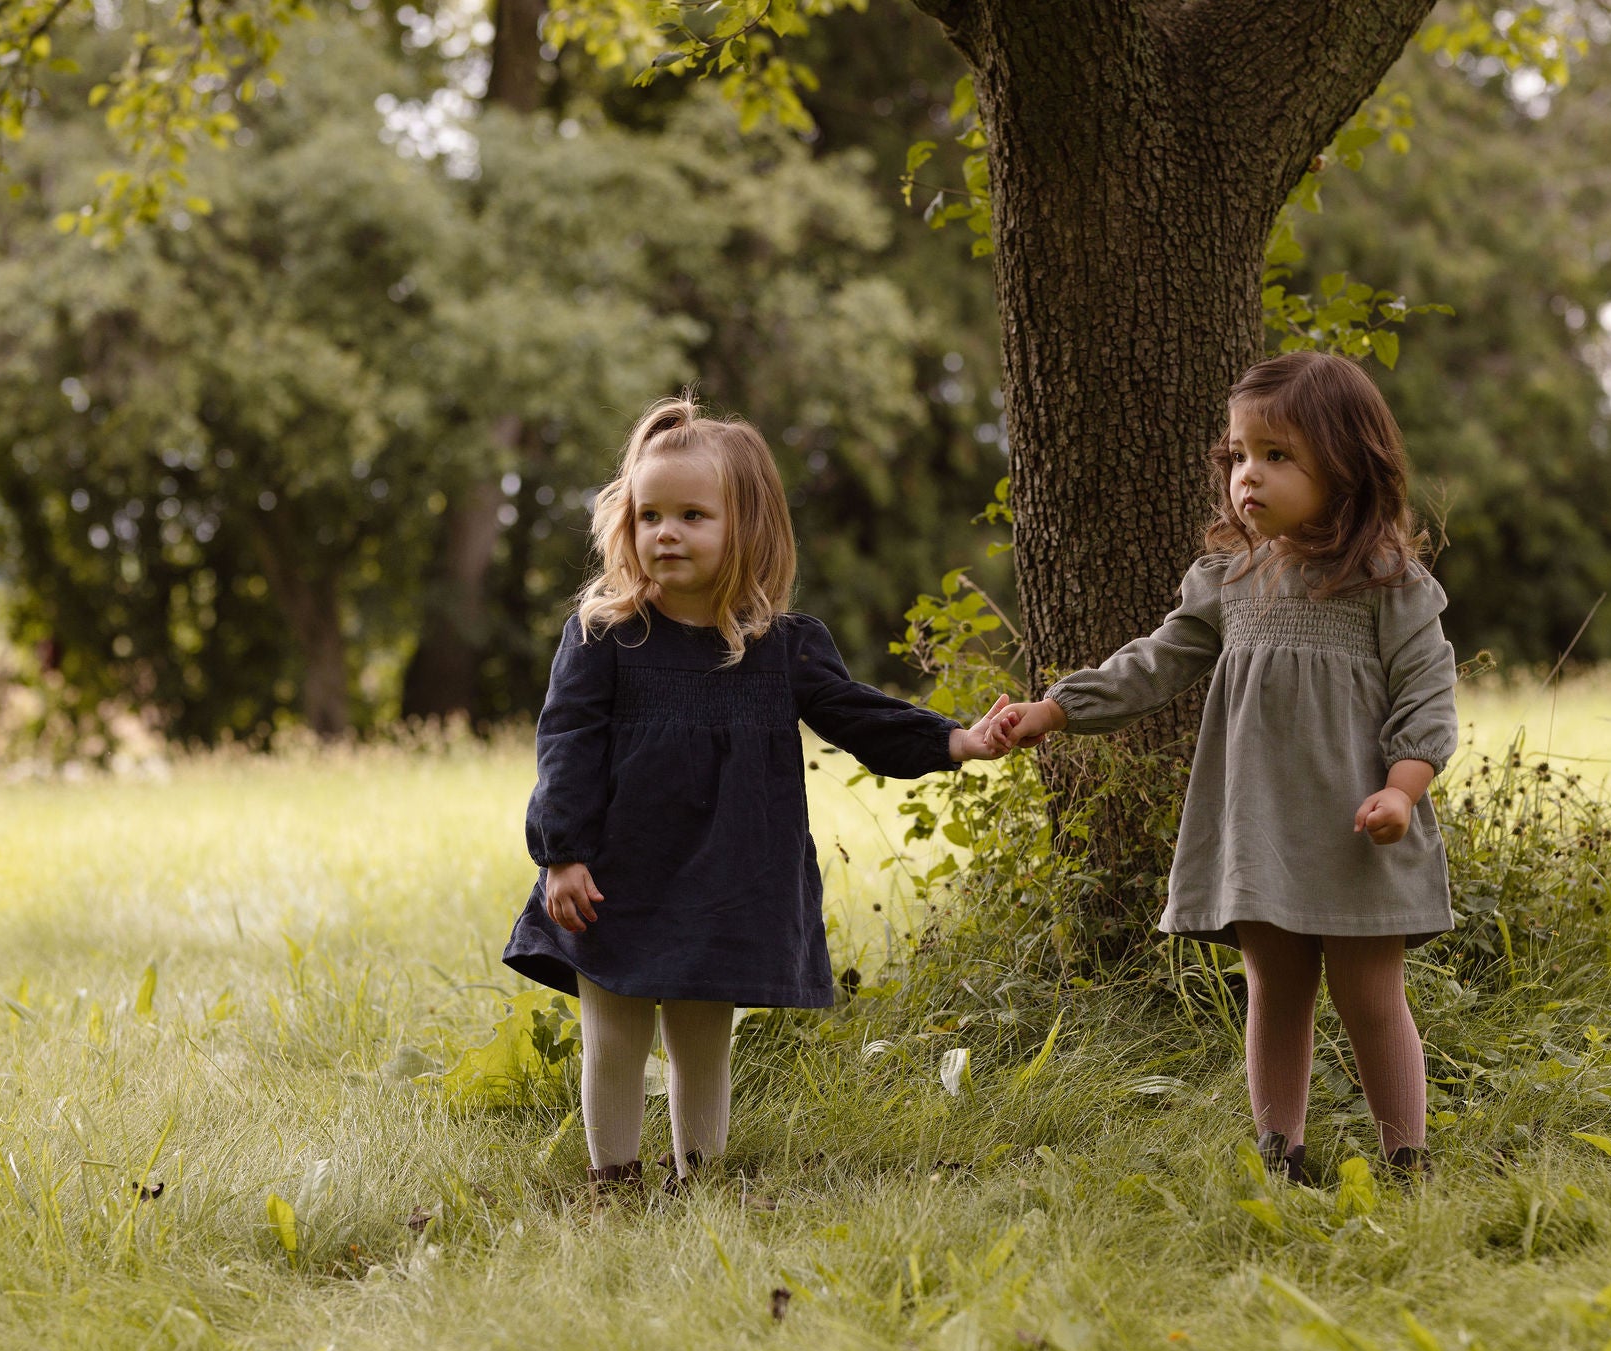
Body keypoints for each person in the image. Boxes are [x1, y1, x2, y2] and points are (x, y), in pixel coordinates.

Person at [503, 395, 1013, 1193]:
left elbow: (859, 718)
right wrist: (560, 854)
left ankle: (698, 1178)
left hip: (726, 879)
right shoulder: (605, 635)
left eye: (692, 515)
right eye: (649, 516)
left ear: (748, 526)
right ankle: (615, 1181)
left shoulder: (782, 647)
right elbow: (564, 744)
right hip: (615, 875)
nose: (664, 533)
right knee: (614, 1035)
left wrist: (955, 740)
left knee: (702, 1038)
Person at [991, 350, 1457, 1182]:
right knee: (1275, 991)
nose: (1250, 476)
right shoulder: (1232, 579)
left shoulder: (1391, 586)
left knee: (1370, 998)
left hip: (1361, 830)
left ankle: (1407, 1160)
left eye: (1278, 457)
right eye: (1240, 454)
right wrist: (1058, 707)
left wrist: (1402, 786)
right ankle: (1283, 1154)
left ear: (1346, 464)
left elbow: (1427, 701)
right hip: (1260, 828)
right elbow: (1155, 663)